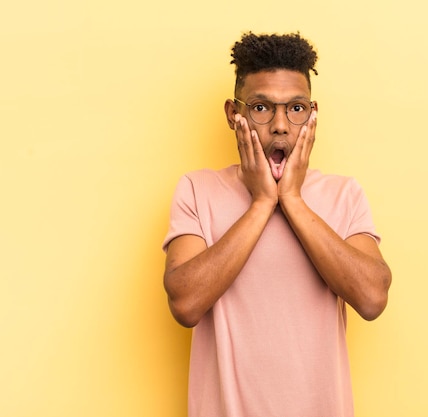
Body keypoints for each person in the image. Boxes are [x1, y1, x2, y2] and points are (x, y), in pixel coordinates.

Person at [162, 31, 392, 417]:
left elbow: (372, 299)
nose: (281, 125)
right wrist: (262, 202)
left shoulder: (344, 194)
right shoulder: (196, 190)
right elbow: (185, 303)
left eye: (297, 108)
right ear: (234, 114)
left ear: (313, 114)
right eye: (261, 108)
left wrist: (294, 200)